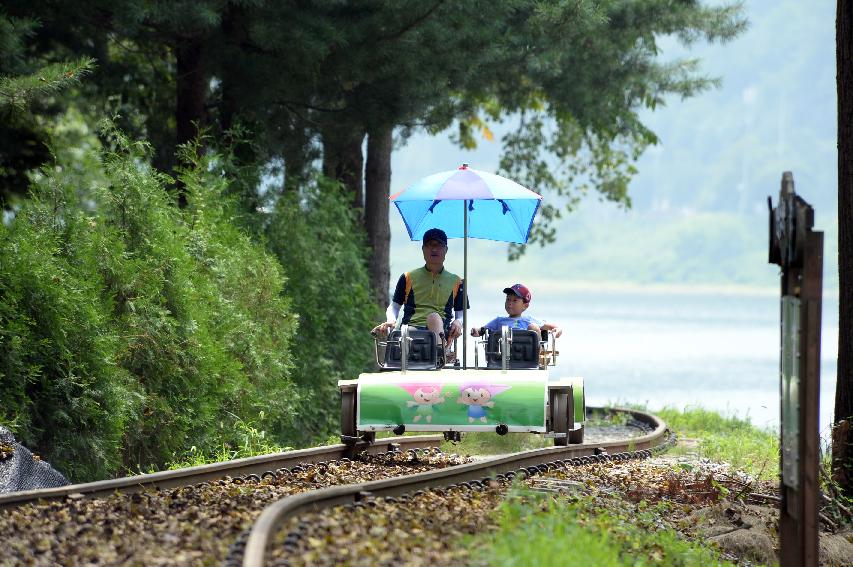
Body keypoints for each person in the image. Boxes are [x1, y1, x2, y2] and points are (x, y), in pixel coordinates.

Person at [374, 228, 466, 350]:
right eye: (429, 245)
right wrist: (391, 320)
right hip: (411, 328)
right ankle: (438, 354)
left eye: (439, 245)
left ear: (446, 250)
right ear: (423, 249)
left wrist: (458, 322)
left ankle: (439, 353)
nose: (434, 249)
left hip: (440, 331)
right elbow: (395, 306)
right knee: (407, 333)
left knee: (434, 317)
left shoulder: (457, 282)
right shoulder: (408, 277)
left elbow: (461, 314)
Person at [470, 283, 562, 338]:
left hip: (528, 354)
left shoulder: (529, 320)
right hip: (503, 354)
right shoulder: (499, 320)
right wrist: (476, 330)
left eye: (515, 301)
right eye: (508, 299)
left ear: (525, 306)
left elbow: (553, 327)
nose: (510, 303)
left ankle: (538, 355)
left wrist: (558, 330)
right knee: (503, 331)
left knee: (533, 327)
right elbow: (482, 330)